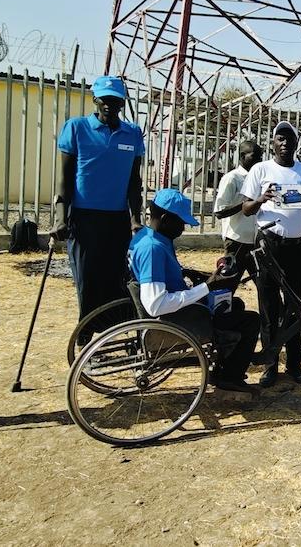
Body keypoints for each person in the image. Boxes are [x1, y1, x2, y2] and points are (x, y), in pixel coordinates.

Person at [129, 189, 261, 392]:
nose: (183, 228)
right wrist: (205, 287)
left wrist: (189, 274)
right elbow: (156, 305)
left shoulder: (146, 237)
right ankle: (229, 377)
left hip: (180, 311)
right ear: (165, 219)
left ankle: (225, 366)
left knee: (235, 304)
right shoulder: (153, 249)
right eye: (181, 223)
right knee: (251, 320)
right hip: (178, 320)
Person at [54, 75, 145, 329]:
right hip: (84, 217)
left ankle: (112, 334)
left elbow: (133, 182)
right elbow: (65, 179)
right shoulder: (76, 128)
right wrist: (62, 218)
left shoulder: (133, 133)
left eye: (116, 101)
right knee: (87, 279)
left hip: (116, 219)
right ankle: (85, 334)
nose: (110, 105)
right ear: (95, 99)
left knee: (116, 279)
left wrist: (136, 219)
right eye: (105, 99)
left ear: (122, 103)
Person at [240, 121, 301, 387]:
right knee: (269, 306)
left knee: (294, 306)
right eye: (280, 139)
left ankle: (295, 363)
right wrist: (262, 198)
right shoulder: (261, 170)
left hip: (297, 247)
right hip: (269, 246)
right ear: (272, 143)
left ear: (297, 144)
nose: (285, 143)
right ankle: (270, 364)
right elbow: (247, 209)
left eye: (290, 139)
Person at [213, 139, 262, 282]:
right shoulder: (232, 178)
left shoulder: (259, 179)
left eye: (260, 157)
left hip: (255, 241)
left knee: (263, 282)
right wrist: (246, 205)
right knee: (229, 283)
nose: (258, 161)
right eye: (254, 157)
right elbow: (219, 211)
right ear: (242, 156)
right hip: (236, 241)